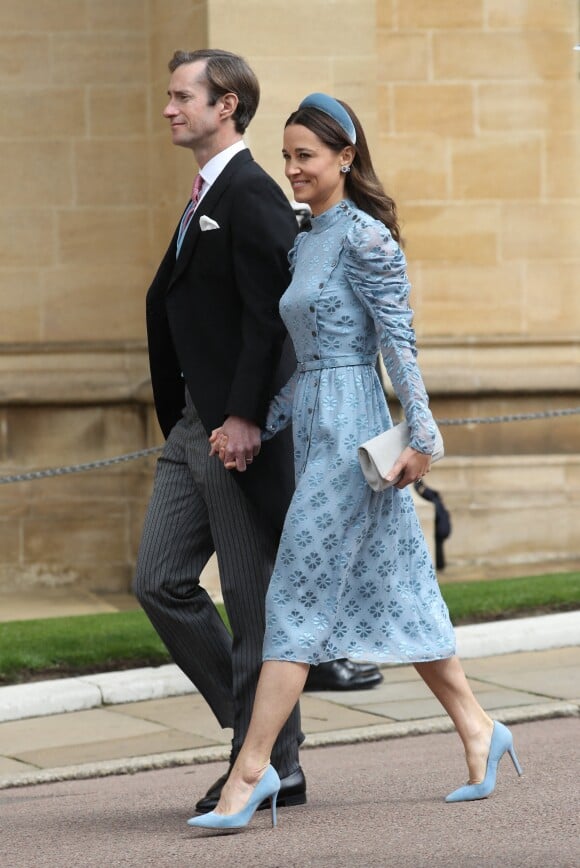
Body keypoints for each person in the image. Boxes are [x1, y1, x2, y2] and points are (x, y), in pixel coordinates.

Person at [189, 93, 523, 832]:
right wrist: (256, 422)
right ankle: (479, 728)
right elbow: (308, 360)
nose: (292, 169)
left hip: (354, 441)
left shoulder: (368, 239)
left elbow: (399, 345)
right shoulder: (307, 239)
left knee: (293, 596)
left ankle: (252, 772)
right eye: (286, 156)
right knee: (400, 587)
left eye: (305, 155)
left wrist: (423, 436)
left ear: (345, 157)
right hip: (313, 428)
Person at [133, 51, 380, 817]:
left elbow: (274, 317)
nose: (170, 108)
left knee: (250, 597)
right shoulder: (208, 190)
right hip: (190, 424)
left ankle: (276, 763)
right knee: (158, 581)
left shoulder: (250, 193)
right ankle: (258, 741)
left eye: (183, 97)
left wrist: (243, 415)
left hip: (234, 427)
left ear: (226, 104)